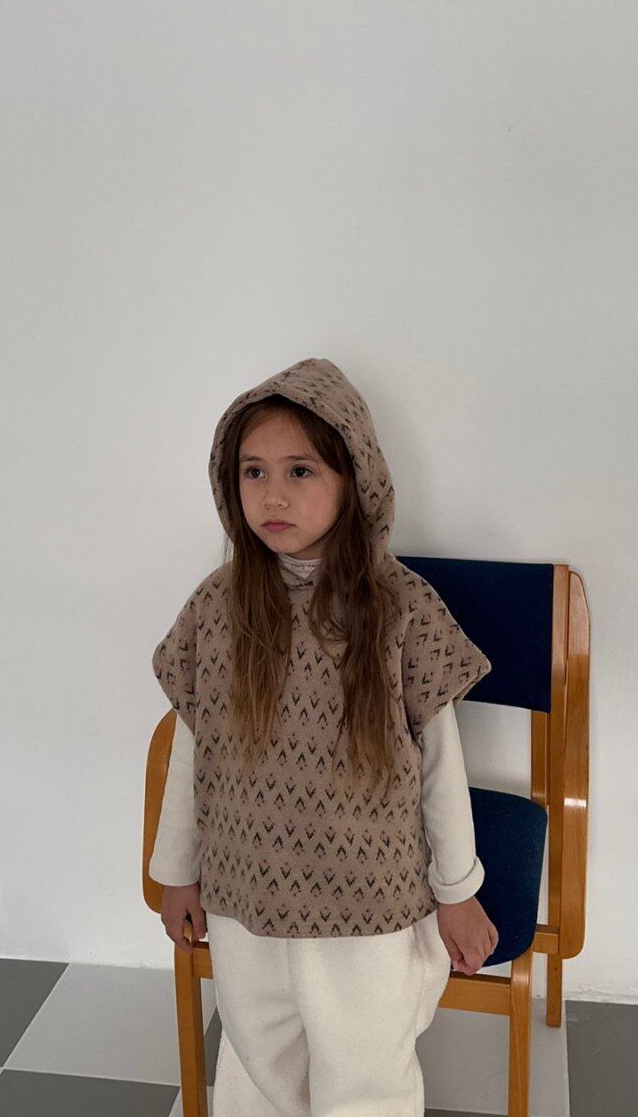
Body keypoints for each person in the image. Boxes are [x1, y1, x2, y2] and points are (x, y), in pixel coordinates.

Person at [148, 355, 498, 1116]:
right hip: (246, 887)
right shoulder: (217, 608)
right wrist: (177, 871)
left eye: (300, 471)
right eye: (253, 472)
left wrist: (457, 894)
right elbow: (192, 750)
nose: (272, 495)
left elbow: (440, 767)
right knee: (259, 1057)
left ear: (354, 479)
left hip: (367, 897)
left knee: (364, 1068)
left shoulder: (402, 609)